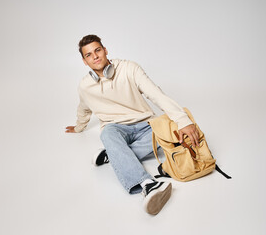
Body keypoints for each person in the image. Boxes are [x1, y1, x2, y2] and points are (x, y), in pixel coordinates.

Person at [65, 34, 199, 215]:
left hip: (146, 124)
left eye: (97, 50)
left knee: (173, 132)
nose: (95, 56)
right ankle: (148, 184)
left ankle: (113, 154)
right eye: (89, 55)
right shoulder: (84, 86)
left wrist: (183, 121)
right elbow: (84, 108)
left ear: (105, 51)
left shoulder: (129, 68)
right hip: (116, 128)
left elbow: (156, 94)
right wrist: (79, 126)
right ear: (84, 61)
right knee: (107, 135)